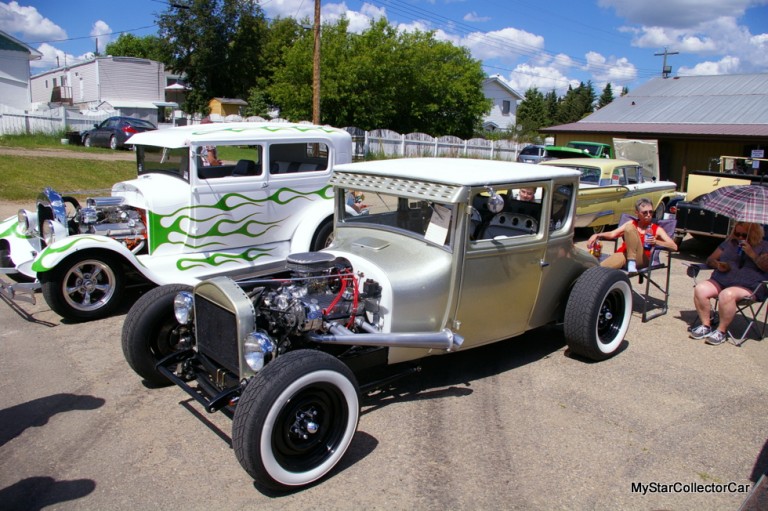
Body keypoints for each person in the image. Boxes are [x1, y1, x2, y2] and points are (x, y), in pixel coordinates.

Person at [690, 222, 768, 345]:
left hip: (749, 286)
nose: (740, 237)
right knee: (701, 289)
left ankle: (721, 331)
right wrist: (717, 265)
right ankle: (706, 325)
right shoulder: (729, 243)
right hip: (722, 280)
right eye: (737, 233)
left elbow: (766, 267)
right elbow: (710, 259)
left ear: (754, 233)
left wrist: (751, 253)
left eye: (744, 234)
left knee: (727, 294)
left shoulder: (764, 246)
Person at [587, 197, 677, 273]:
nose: (649, 215)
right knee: (597, 271)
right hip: (623, 255)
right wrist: (597, 235)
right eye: (645, 212)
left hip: (642, 259)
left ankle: (631, 262)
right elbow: (612, 233)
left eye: (651, 212)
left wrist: (656, 241)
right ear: (637, 213)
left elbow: (674, 247)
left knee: (629, 227)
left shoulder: (657, 229)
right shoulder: (632, 223)